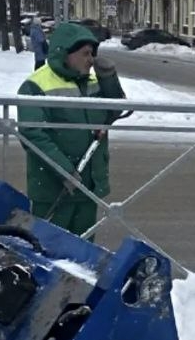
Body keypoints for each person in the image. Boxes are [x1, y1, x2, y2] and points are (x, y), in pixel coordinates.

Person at [17, 22, 126, 236]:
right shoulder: (36, 85)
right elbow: (33, 134)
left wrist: (109, 78)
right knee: (47, 249)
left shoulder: (92, 82)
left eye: (92, 54)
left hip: (87, 184)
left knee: (83, 252)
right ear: (65, 53)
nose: (91, 60)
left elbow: (114, 111)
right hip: (53, 187)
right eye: (85, 54)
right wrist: (65, 171)